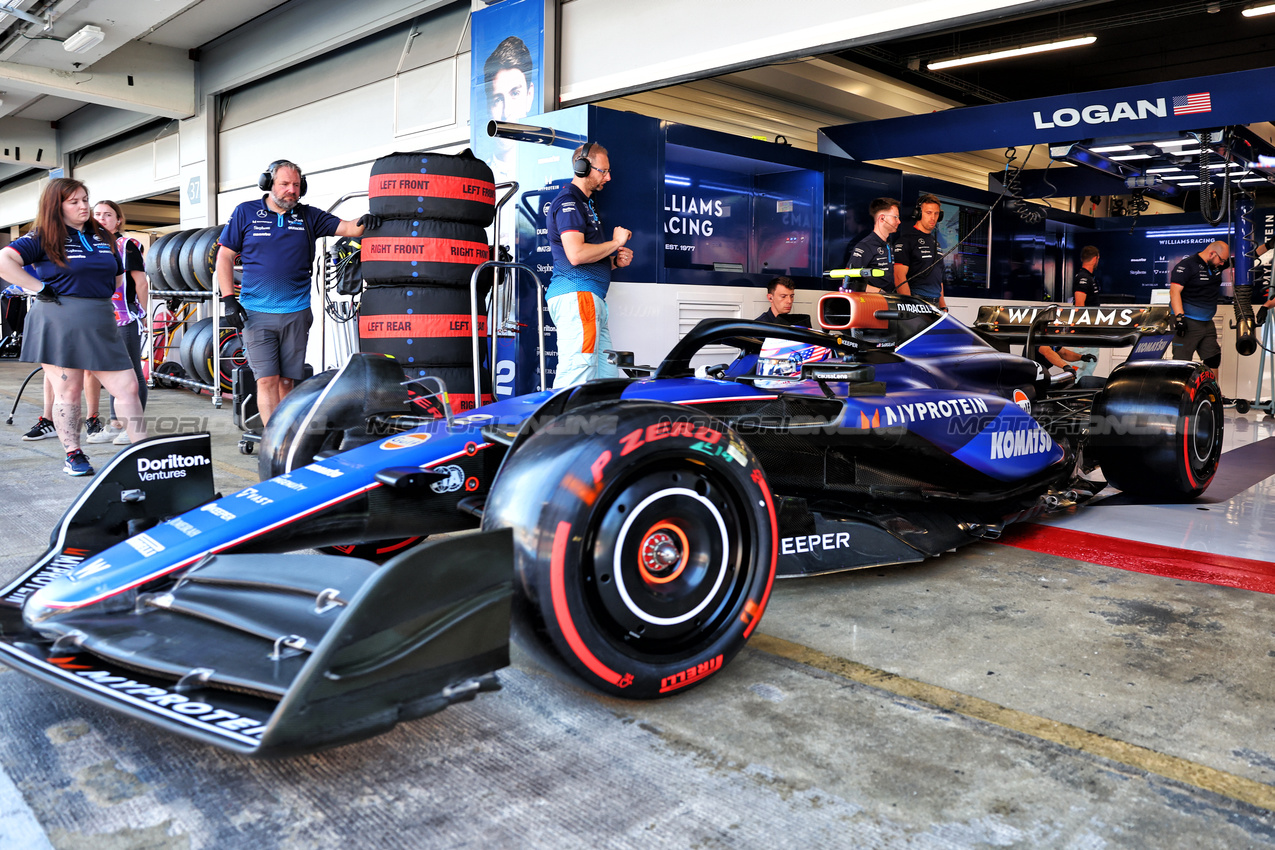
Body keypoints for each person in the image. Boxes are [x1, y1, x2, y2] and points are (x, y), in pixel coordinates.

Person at [0, 177, 148, 476]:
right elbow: (5, 260)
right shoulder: (44, 236)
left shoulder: (102, 235)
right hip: (58, 319)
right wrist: (37, 287)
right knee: (69, 391)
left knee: (128, 387)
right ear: (57, 206)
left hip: (101, 318)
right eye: (75, 202)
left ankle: (142, 453)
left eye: (85, 199)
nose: (84, 206)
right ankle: (74, 454)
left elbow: (118, 276)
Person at [216, 160, 373, 426]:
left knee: (287, 381)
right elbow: (224, 256)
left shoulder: (309, 216)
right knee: (266, 379)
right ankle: (273, 442)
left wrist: (374, 214)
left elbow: (349, 228)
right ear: (268, 184)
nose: (291, 190)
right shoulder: (245, 212)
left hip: (296, 313)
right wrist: (228, 299)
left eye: (296, 185)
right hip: (256, 314)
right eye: (285, 184)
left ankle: (286, 435)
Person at [545, 142, 633, 389]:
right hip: (579, 297)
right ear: (582, 167)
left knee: (605, 378)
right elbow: (576, 255)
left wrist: (614, 262)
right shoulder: (569, 203)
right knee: (577, 374)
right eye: (603, 171)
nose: (609, 177)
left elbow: (586, 256)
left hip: (591, 300)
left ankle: (597, 427)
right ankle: (562, 427)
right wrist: (615, 242)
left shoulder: (585, 204)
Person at [84, 200, 148, 445]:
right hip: (98, 319)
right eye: (97, 214)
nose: (101, 218)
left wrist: (143, 314)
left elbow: (140, 283)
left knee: (131, 372)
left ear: (118, 220)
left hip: (125, 319)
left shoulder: (127, 245)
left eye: (107, 215)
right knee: (111, 372)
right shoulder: (90, 245)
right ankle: (114, 424)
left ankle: (131, 426)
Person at [1169, 240, 1230, 371]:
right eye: (1222, 260)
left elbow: (1245, 259)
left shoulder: (1216, 265)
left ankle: (1212, 391)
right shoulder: (1187, 265)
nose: (1223, 264)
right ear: (1212, 253)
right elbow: (1174, 291)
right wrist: (1180, 318)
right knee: (1181, 363)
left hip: (1207, 322)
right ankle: (1182, 391)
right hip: (1187, 320)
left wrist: (1268, 246)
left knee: (1213, 358)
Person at [483, 36, 535, 184]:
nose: (506, 112)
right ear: (488, 107)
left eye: (515, 94)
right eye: (498, 99)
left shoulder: (547, 170)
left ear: (529, 96)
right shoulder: (480, 181)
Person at [894, 194, 947, 309]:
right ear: (918, 213)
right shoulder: (906, 240)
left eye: (936, 213)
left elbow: (938, 278)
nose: (933, 218)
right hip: (916, 302)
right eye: (928, 213)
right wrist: (909, 306)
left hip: (936, 305)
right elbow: (898, 276)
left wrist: (943, 306)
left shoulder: (936, 243)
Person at [842, 197, 899, 293]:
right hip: (872, 302)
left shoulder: (889, 244)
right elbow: (847, 282)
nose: (899, 221)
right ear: (882, 218)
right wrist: (879, 292)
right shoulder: (865, 246)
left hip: (889, 301)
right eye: (895, 217)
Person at [1071, 245, 1100, 378]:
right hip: (1084, 331)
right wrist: (1081, 331)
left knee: (1091, 363)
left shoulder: (1088, 277)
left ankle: (1081, 393)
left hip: (1090, 331)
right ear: (1096, 259)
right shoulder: (1083, 277)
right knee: (1080, 366)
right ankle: (1071, 395)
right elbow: (1079, 304)